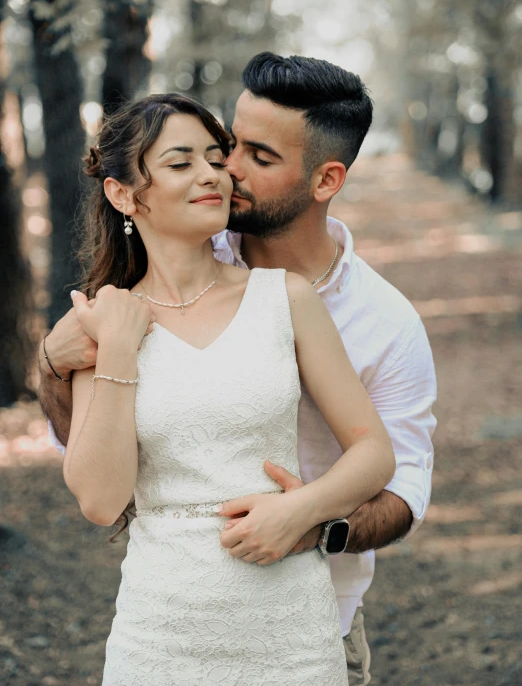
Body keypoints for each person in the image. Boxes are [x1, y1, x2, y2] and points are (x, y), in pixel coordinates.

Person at [40, 53, 437, 685]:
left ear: (326, 179)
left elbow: (397, 470)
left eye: (257, 156)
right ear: (123, 194)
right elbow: (98, 490)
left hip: (307, 620)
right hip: (161, 631)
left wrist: (305, 517)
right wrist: (81, 357)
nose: (223, 171)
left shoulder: (355, 314)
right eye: (226, 146)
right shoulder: (113, 310)